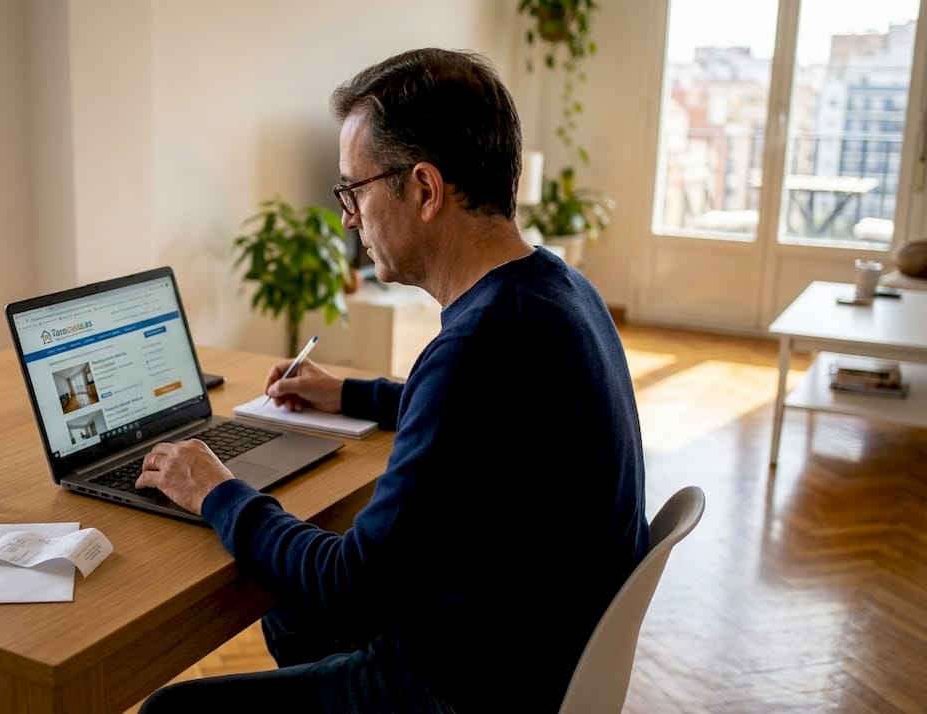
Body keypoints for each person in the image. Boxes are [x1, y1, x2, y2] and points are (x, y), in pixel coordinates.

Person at [135, 47, 648, 713]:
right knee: (289, 618)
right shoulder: (555, 290)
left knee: (173, 709)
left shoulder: (477, 344)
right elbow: (474, 417)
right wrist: (349, 393)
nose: (347, 216)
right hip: (537, 642)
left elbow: (349, 585)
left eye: (354, 188)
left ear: (425, 191)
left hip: (471, 685)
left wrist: (218, 491)